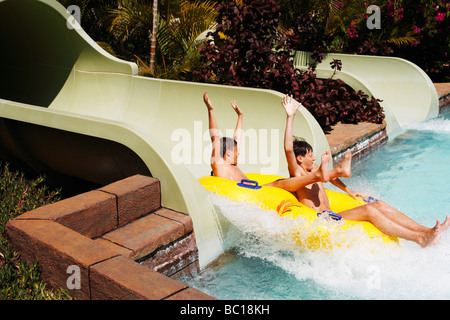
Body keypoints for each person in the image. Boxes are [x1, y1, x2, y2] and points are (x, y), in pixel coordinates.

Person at [280, 94, 450, 247]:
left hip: (331, 215)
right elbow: (288, 149)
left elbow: (331, 178)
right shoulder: (298, 173)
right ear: (300, 158)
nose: (313, 158)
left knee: (379, 205)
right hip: (319, 220)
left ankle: (426, 231)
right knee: (369, 210)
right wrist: (290, 117)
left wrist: (348, 190)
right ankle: (419, 239)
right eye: (310, 156)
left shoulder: (315, 169)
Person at [203, 91, 329, 193]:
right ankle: (316, 176)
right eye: (236, 152)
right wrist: (211, 110)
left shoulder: (233, 165)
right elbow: (215, 137)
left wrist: (240, 116)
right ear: (229, 152)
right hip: (243, 196)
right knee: (279, 184)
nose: (239, 154)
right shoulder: (219, 166)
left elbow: (237, 137)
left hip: (253, 192)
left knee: (280, 182)